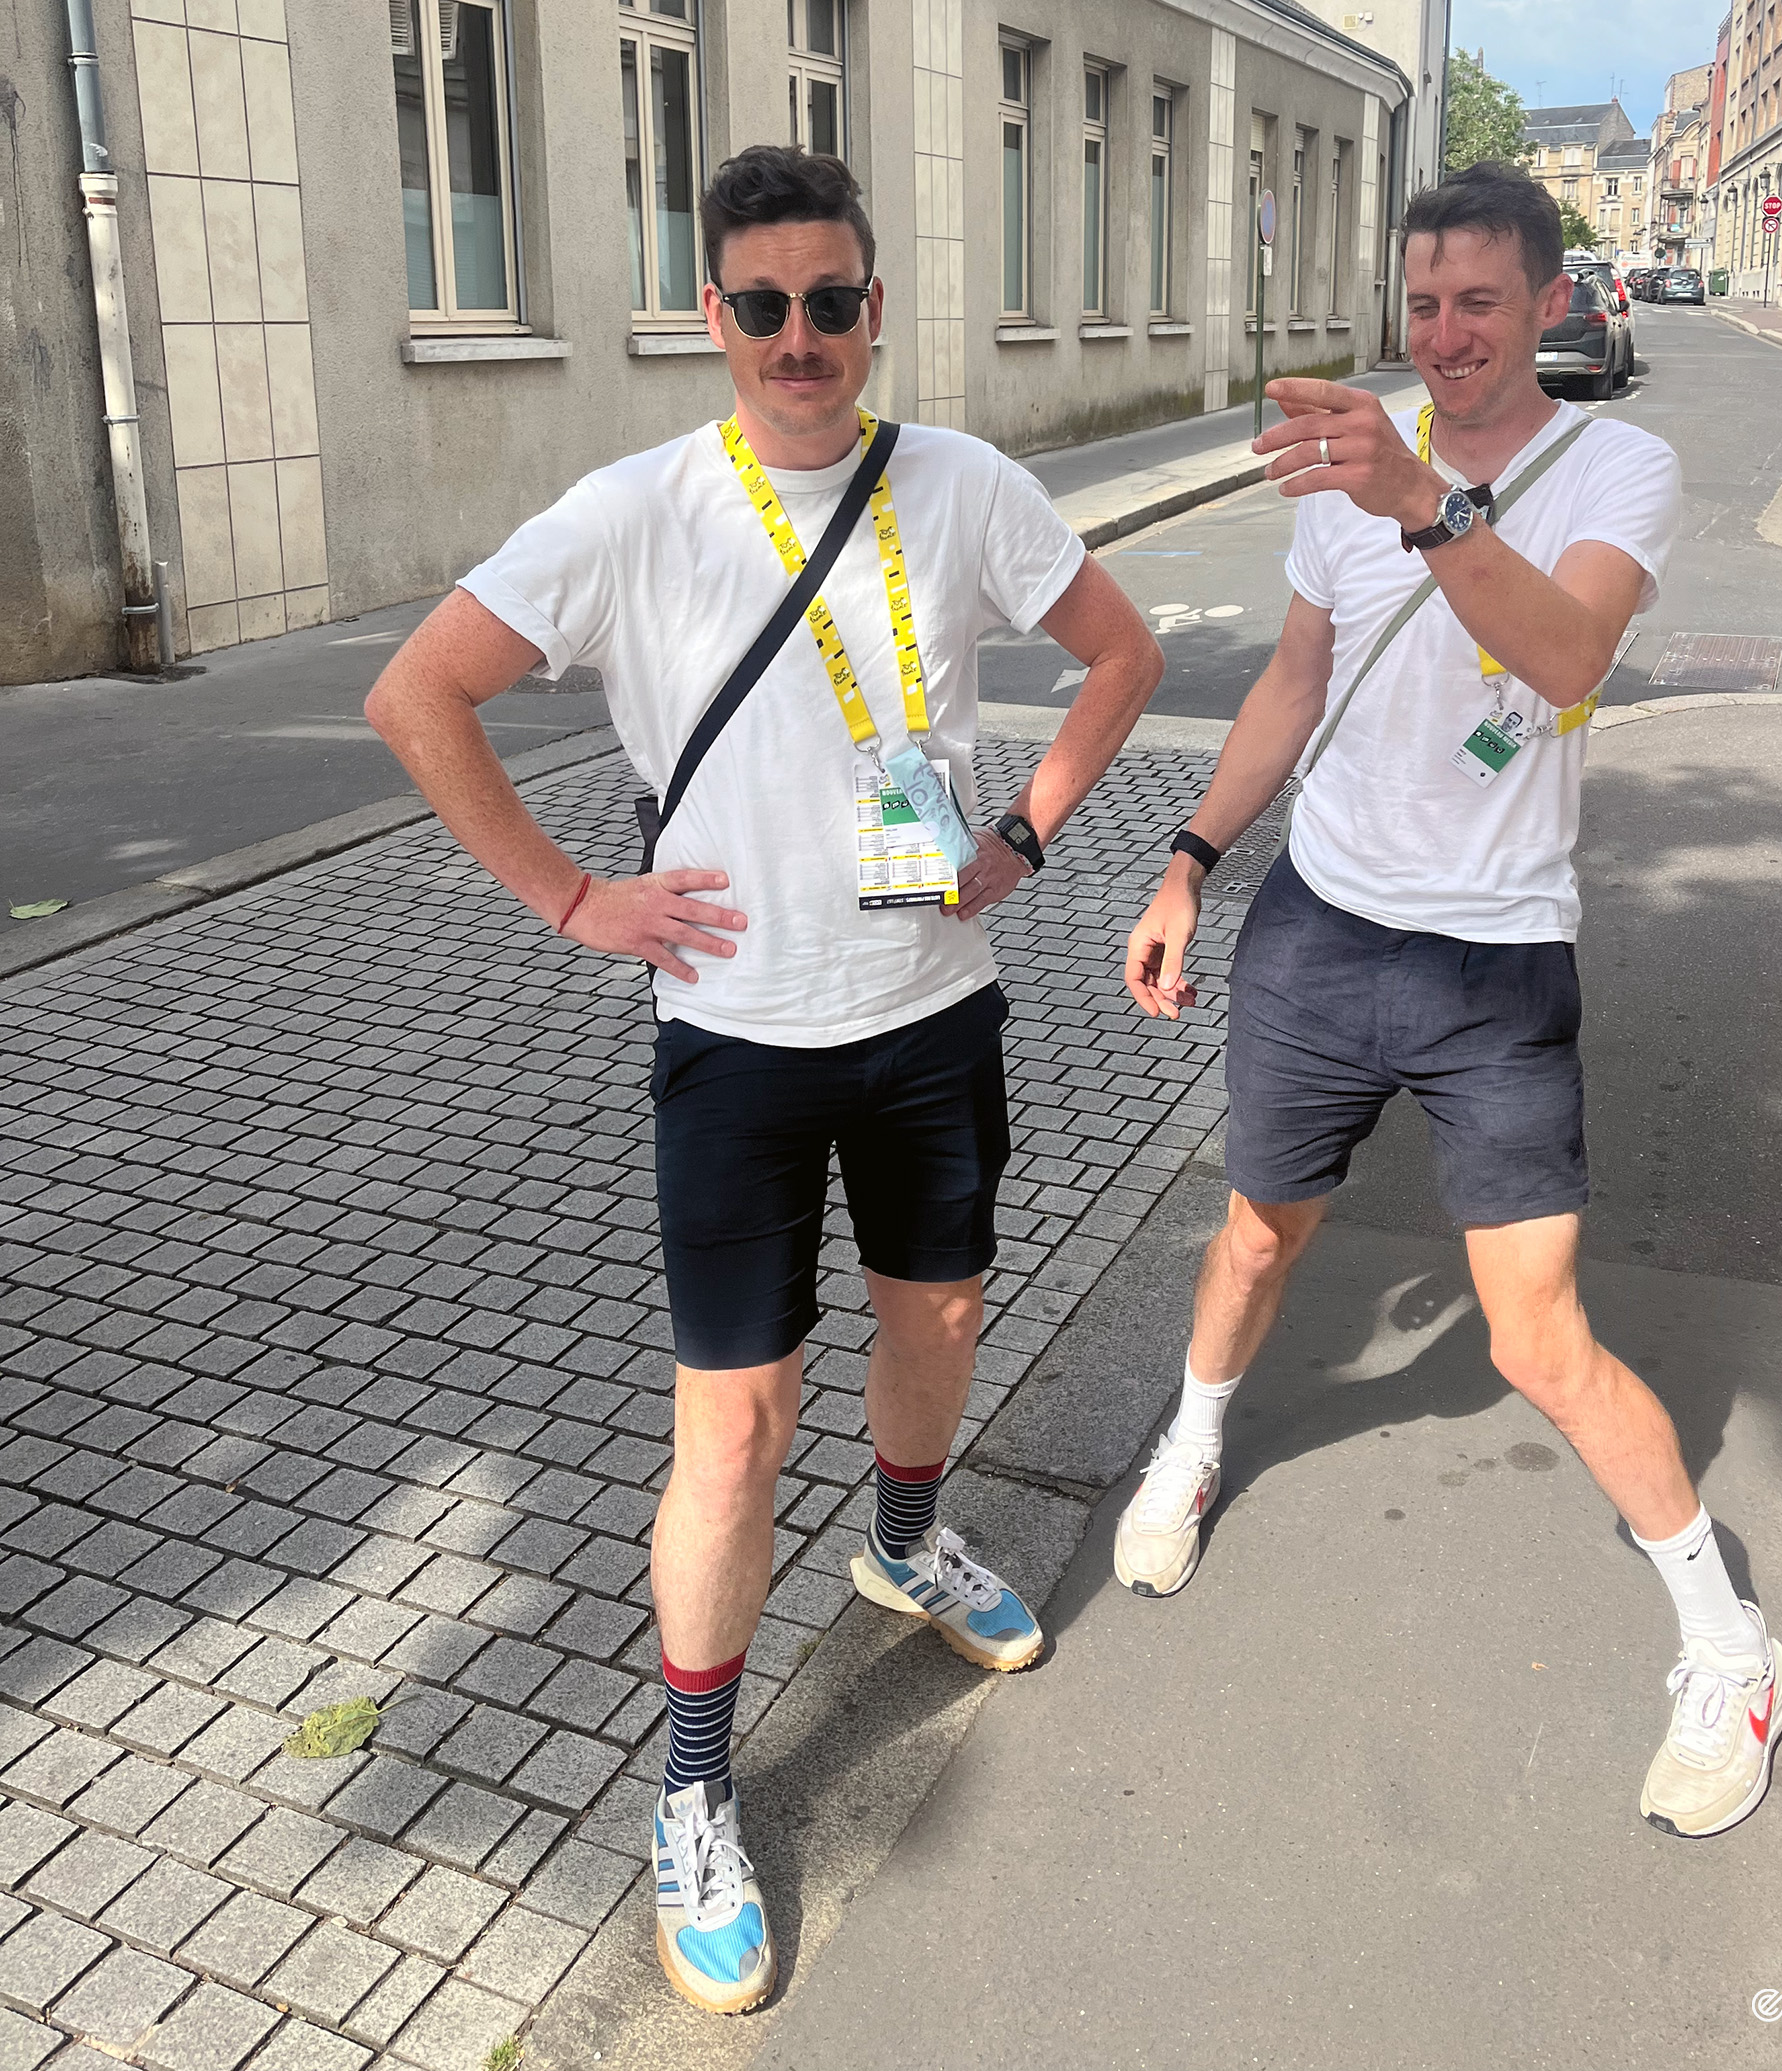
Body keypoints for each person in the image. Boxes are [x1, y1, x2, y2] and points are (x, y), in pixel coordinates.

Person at [365, 145, 1161, 2014]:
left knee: (941, 1312)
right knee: (730, 1424)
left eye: (832, 301)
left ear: (875, 309)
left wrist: (1029, 843)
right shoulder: (633, 512)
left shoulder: (964, 484)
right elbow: (418, 693)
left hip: (931, 1006)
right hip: (731, 1041)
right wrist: (572, 897)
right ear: (709, 319)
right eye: (761, 305)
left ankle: (901, 1545)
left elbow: (1117, 656)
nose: (799, 337)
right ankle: (695, 1787)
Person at [1116, 161, 1782, 1842]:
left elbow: (1566, 663)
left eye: (1477, 303)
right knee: (1258, 1234)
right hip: (1324, 928)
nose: (1444, 335)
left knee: (1536, 1339)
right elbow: (1296, 676)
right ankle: (1191, 1443)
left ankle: (1733, 1646)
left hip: (1495, 964)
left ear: (1549, 301)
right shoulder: (1341, 483)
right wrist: (1192, 853)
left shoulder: (1615, 464)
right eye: (1421, 306)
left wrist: (1421, 499)